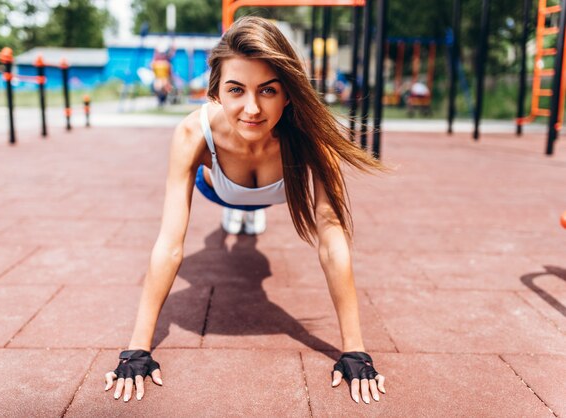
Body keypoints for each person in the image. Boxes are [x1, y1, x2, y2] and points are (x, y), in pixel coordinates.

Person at [104, 16, 387, 405]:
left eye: (268, 91)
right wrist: (138, 348)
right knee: (227, 233)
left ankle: (249, 215)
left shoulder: (312, 138)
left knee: (252, 250)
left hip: (279, 189)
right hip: (218, 187)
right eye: (236, 89)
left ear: (288, 93)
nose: (252, 108)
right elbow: (170, 242)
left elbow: (331, 239)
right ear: (215, 92)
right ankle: (236, 217)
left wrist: (354, 349)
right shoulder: (192, 134)